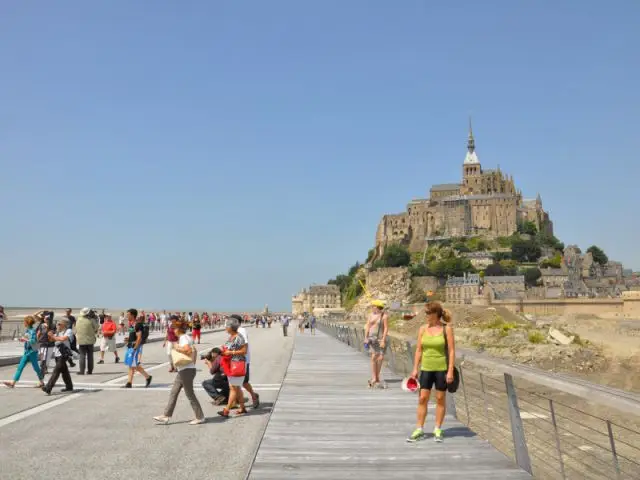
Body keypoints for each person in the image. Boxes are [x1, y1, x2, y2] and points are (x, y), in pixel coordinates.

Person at [407, 301, 455, 443]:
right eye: (425, 313)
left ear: (436, 314)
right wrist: (415, 368)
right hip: (426, 368)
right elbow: (419, 350)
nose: (426, 316)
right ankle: (419, 429)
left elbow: (452, 351)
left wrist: (450, 370)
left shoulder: (447, 329)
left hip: (441, 368)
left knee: (440, 399)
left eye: (428, 313)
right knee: (422, 398)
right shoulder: (422, 329)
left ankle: (437, 429)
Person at [153, 318, 205, 425]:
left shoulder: (183, 338)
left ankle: (200, 417)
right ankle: (166, 416)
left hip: (186, 371)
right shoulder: (184, 337)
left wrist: (177, 348)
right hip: (184, 370)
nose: (173, 331)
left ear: (179, 329)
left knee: (190, 394)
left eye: (174, 328)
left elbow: (188, 350)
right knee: (174, 392)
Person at [218, 317, 248, 418]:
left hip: (237, 364)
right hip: (231, 364)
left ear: (231, 327)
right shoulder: (231, 337)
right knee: (236, 387)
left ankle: (226, 410)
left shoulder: (238, 337)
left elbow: (244, 351)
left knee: (233, 388)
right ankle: (243, 407)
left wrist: (231, 352)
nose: (225, 328)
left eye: (226, 326)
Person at [3, 316, 44, 389]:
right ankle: (13, 383)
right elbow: (27, 339)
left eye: (24, 322)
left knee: (36, 368)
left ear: (27, 323)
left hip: (32, 352)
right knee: (20, 367)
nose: (23, 323)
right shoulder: (28, 330)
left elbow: (34, 341)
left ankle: (41, 382)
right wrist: (22, 339)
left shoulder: (32, 331)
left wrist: (25, 340)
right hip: (27, 352)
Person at [42, 318, 74, 394]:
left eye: (59, 324)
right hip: (57, 353)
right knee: (64, 371)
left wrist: (53, 336)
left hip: (64, 354)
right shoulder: (57, 332)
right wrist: (49, 334)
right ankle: (69, 386)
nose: (57, 325)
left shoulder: (68, 331)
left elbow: (63, 339)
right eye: (57, 324)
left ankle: (48, 387)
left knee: (56, 371)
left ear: (64, 325)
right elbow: (52, 340)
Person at [122, 308, 152, 389]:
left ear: (132, 315)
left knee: (132, 365)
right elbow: (134, 336)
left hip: (134, 347)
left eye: (128, 314)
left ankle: (129, 383)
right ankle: (147, 377)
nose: (127, 316)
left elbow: (139, 338)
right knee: (132, 365)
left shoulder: (138, 324)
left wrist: (135, 348)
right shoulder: (132, 324)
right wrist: (128, 339)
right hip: (130, 346)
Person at [364, 300, 389, 389]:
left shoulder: (384, 316)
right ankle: (374, 377)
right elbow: (367, 326)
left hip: (381, 338)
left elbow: (386, 328)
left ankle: (377, 377)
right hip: (372, 338)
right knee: (374, 357)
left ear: (377, 307)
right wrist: (365, 338)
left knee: (381, 357)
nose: (372, 307)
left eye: (373, 306)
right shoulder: (370, 315)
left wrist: (383, 340)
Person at [236, 314, 260, 409]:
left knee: (244, 382)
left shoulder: (241, 330)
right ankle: (237, 403)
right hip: (236, 360)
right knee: (235, 383)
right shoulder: (234, 331)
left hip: (243, 360)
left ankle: (254, 396)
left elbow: (244, 345)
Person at [76, 308, 99, 375]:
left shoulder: (78, 320)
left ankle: (81, 371)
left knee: (82, 356)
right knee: (90, 356)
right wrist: (95, 319)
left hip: (81, 340)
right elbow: (96, 327)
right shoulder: (91, 320)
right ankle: (90, 371)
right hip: (90, 340)